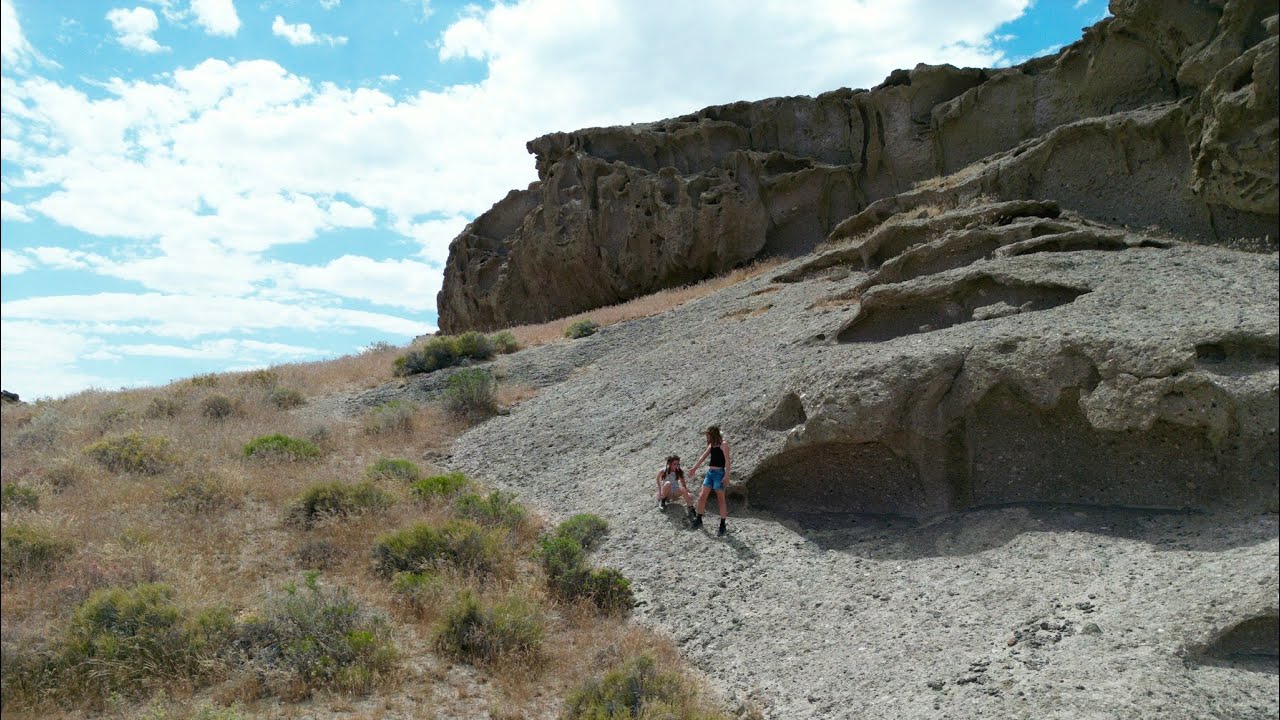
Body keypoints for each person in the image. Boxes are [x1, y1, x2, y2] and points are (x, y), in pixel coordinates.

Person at [686, 425, 731, 536]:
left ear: (713, 434)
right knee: (702, 496)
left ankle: (722, 524)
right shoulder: (712, 445)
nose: (707, 437)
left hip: (719, 474)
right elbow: (703, 457)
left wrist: (727, 475)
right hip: (710, 473)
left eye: (708, 435)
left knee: (721, 499)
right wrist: (694, 468)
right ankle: (699, 518)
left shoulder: (723, 444)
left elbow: (727, 461)